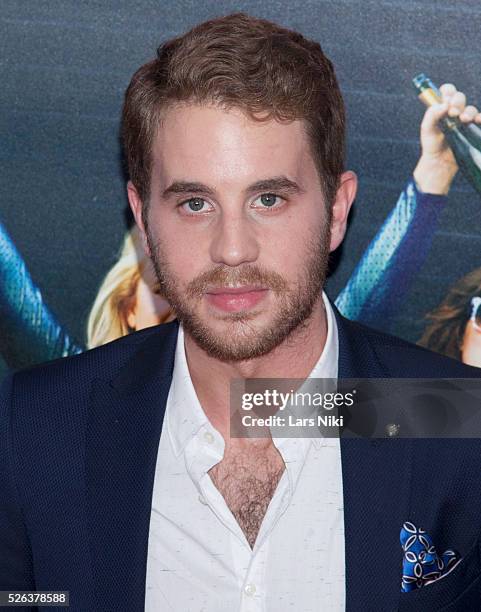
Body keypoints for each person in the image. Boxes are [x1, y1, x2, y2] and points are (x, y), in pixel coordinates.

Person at [1, 13, 481, 611]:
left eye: (269, 198)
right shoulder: (37, 426)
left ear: (336, 211)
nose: (232, 248)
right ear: (144, 220)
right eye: (195, 202)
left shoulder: (451, 417)